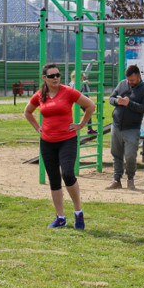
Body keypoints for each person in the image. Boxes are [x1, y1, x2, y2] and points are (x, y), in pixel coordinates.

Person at [23, 62, 95, 229]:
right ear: (44, 78)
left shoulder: (68, 91)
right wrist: (37, 128)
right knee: (54, 179)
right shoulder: (40, 95)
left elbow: (90, 106)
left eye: (58, 75)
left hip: (67, 140)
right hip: (47, 142)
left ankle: (78, 213)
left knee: (68, 175)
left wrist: (81, 124)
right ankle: (60, 218)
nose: (55, 78)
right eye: (51, 76)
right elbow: (27, 111)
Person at [107, 65, 144, 190]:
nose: (130, 82)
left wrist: (129, 104)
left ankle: (130, 178)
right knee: (116, 154)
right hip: (116, 125)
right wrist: (117, 101)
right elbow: (111, 98)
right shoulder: (122, 84)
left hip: (132, 127)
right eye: (128, 80)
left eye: (133, 80)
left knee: (130, 155)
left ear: (139, 76)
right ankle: (116, 180)